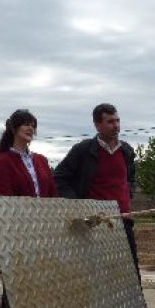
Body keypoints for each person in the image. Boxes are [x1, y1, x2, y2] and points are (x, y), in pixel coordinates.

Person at [0, 109, 58, 308]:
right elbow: (7, 199)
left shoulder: (41, 160)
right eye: (25, 125)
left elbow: (52, 193)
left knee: (42, 289)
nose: (30, 129)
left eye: (33, 125)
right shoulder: (2, 161)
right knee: (14, 291)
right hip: (19, 234)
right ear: (13, 128)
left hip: (45, 235)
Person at [54, 103, 140, 277]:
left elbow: (130, 178)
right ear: (97, 125)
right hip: (95, 222)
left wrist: (127, 195)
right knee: (96, 275)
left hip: (122, 220)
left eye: (117, 120)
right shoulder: (83, 150)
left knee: (130, 273)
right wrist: (77, 204)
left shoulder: (127, 151)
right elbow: (59, 177)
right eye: (110, 122)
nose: (116, 126)